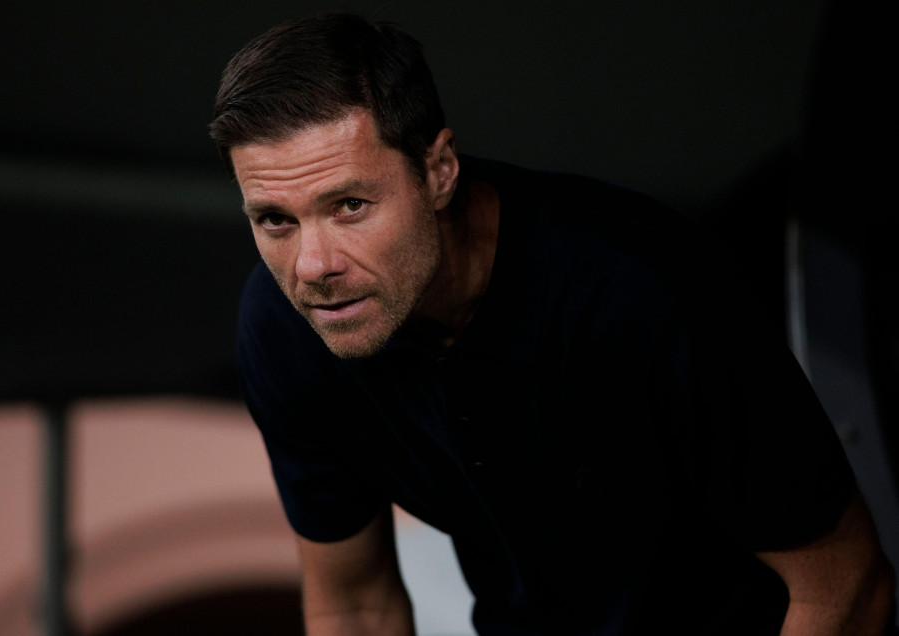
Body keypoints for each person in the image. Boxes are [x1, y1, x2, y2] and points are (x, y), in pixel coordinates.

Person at [209, 13, 895, 635]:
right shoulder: (286, 328)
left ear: (439, 170)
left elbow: (845, 584)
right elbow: (354, 607)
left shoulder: (645, 292)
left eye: (351, 205)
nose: (313, 264)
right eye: (276, 220)